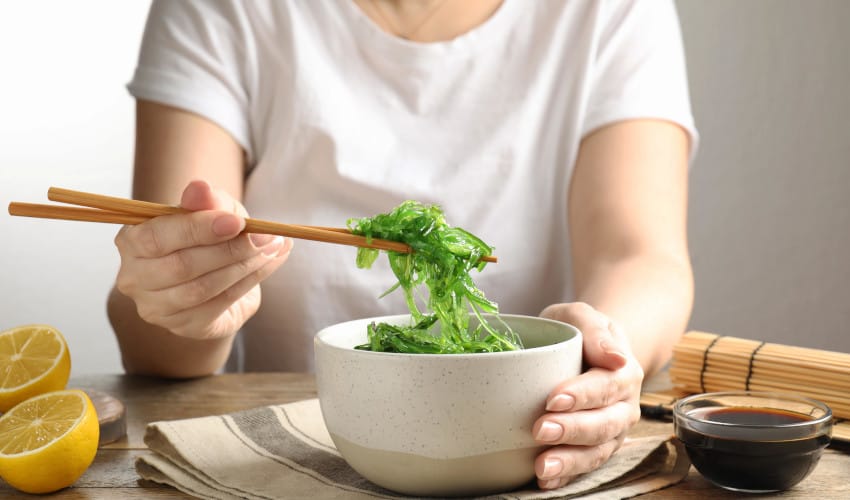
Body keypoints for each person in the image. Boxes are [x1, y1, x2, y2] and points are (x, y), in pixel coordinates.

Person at [108, 0, 697, 490]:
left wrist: (604, 354)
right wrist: (182, 295)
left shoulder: (613, 11)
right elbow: (152, 326)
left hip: (523, 437)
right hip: (279, 453)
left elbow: (641, 257)